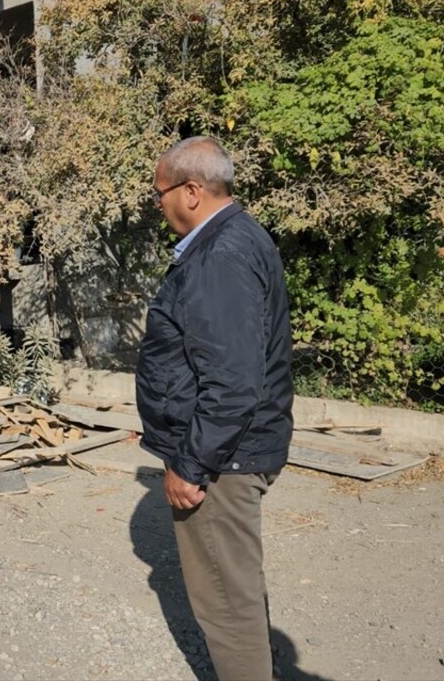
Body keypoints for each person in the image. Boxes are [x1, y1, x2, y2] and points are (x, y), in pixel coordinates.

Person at [135, 136, 294, 681]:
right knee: (238, 589)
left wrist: (191, 463)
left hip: (223, 460)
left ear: (192, 191)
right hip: (232, 449)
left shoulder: (220, 254)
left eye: (159, 194)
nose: (157, 204)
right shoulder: (234, 239)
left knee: (226, 602)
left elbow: (231, 381)